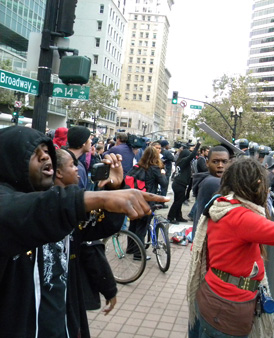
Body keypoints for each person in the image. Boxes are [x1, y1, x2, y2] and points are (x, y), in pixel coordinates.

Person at [0, 126, 168, 337]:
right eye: (34, 153)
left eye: (46, 150)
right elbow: (22, 211)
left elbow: (101, 229)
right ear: (12, 161)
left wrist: (113, 189)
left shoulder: (62, 207)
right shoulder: (19, 205)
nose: (44, 157)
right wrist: (95, 199)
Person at [187, 157, 274, 338]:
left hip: (215, 298)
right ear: (256, 184)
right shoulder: (240, 216)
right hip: (227, 307)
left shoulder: (224, 204)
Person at [54, 148, 118, 316]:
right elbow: (91, 250)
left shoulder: (78, 209)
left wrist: (115, 187)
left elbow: (103, 228)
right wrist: (109, 289)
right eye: (72, 165)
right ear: (58, 172)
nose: (78, 169)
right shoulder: (45, 211)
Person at [127, 145, 168, 256]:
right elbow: (164, 184)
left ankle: (130, 248)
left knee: (133, 224)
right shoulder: (154, 168)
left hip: (134, 199)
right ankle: (138, 253)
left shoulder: (137, 166)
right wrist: (163, 173)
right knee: (142, 227)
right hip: (147, 200)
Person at [192, 146, 230, 239]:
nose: (220, 165)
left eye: (224, 162)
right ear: (207, 163)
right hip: (210, 239)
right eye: (215, 161)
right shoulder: (213, 182)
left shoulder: (208, 179)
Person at [167, 141, 201, 223]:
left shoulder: (180, 161)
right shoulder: (184, 161)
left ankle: (178, 216)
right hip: (179, 184)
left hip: (178, 184)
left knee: (179, 201)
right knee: (178, 201)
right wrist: (197, 146)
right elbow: (192, 156)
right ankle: (170, 217)